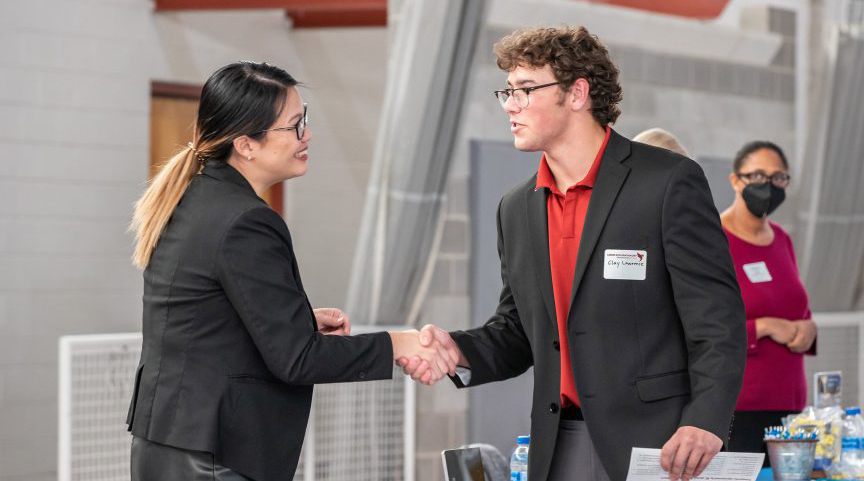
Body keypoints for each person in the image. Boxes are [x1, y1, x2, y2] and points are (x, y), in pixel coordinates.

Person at [399, 27, 746, 481]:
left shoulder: (666, 182)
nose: (509, 104)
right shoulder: (517, 207)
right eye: (508, 90)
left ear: (578, 92)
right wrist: (457, 349)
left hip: (664, 444)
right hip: (560, 443)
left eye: (525, 90)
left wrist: (706, 419)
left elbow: (716, 321)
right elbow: (518, 333)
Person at [126, 61, 456, 481]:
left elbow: (202, 318)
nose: (308, 135)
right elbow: (298, 360)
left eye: (306, 121)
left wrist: (293, 320)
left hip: (172, 442)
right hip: (213, 455)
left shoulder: (194, 200)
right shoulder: (246, 220)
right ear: (246, 143)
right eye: (295, 126)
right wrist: (399, 342)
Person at [719, 140, 816, 464]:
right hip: (738, 408)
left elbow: (796, 306)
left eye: (778, 178)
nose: (769, 186)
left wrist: (808, 328)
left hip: (790, 410)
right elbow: (697, 326)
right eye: (758, 176)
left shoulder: (783, 240)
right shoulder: (714, 239)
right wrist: (761, 327)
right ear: (735, 180)